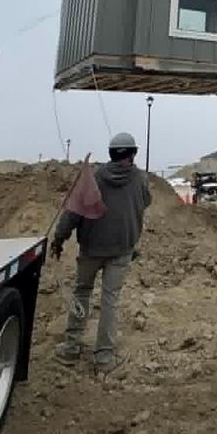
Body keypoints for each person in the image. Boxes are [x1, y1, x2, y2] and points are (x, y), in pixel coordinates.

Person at [53, 132, 151, 373]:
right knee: (110, 301)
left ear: (111, 154)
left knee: (81, 293)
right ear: (133, 153)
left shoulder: (95, 177)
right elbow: (145, 202)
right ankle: (104, 358)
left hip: (92, 248)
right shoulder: (139, 179)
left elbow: (73, 212)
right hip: (122, 249)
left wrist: (59, 237)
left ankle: (71, 348)